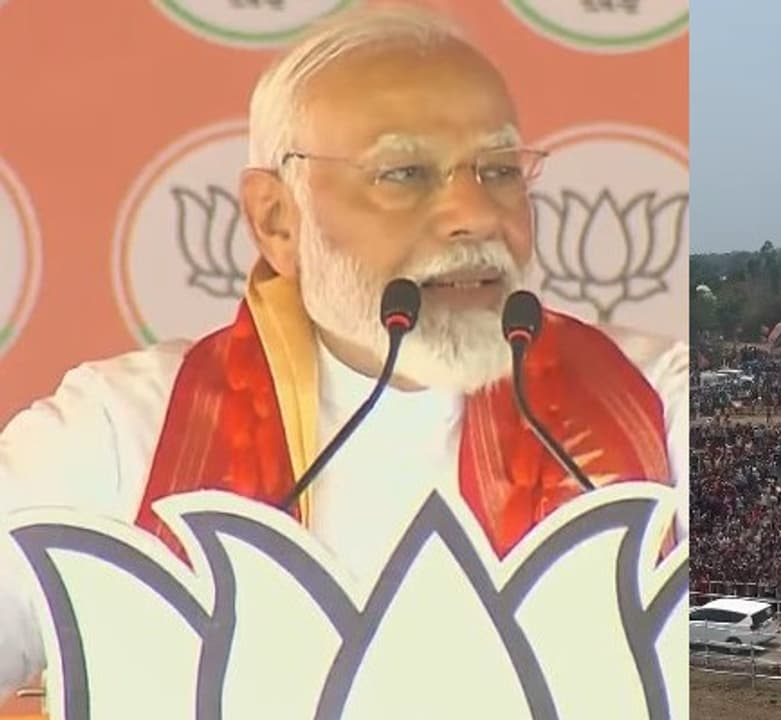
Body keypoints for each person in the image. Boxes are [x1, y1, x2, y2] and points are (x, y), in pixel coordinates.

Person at [0, 4, 687, 699]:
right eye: (405, 173)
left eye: (500, 169)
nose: (477, 215)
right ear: (277, 219)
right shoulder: (115, 434)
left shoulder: (657, 405)